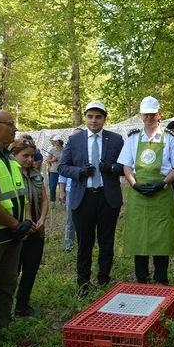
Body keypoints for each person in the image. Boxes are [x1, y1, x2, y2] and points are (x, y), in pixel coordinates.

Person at [59, 102, 125, 298]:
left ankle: (104, 279)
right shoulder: (74, 139)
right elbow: (62, 167)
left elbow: (125, 166)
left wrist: (111, 168)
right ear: (85, 118)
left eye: (98, 117)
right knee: (84, 243)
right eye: (90, 116)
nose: (94, 120)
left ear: (105, 118)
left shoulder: (115, 139)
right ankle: (83, 283)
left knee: (106, 241)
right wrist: (79, 172)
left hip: (107, 197)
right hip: (83, 197)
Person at [118, 96, 174, 285]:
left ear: (159, 114)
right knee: (140, 236)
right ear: (141, 115)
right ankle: (142, 278)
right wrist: (134, 184)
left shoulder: (170, 138)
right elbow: (127, 166)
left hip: (161, 192)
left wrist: (163, 183)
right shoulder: (133, 139)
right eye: (145, 115)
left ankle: (161, 278)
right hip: (139, 194)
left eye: (152, 115)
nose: (148, 118)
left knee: (161, 237)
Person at [0, 110, 34, 343]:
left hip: (13, 234)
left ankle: (0, 332)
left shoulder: (8, 159)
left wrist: (26, 219)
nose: (15, 129)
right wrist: (15, 223)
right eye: (10, 124)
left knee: (7, 284)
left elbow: (21, 193)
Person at [9, 139, 48, 317]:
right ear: (14, 155)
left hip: (36, 231)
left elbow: (44, 199)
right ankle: (5, 309)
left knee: (31, 269)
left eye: (32, 156)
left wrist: (42, 219)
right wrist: (27, 219)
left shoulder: (36, 174)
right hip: (17, 232)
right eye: (25, 156)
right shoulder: (10, 175)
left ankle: (22, 306)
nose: (29, 160)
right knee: (12, 272)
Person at [58, 128, 84, 253]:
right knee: (70, 218)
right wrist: (62, 191)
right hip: (71, 190)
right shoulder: (68, 152)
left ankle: (83, 244)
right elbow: (62, 173)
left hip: (86, 190)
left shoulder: (87, 151)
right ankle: (69, 244)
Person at [46, 135, 64, 207]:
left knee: (62, 187)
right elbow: (47, 160)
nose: (55, 142)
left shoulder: (65, 149)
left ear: (60, 141)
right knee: (52, 186)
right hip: (53, 171)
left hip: (62, 171)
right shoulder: (52, 150)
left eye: (56, 141)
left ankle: (61, 201)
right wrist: (53, 160)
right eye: (54, 141)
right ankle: (52, 201)